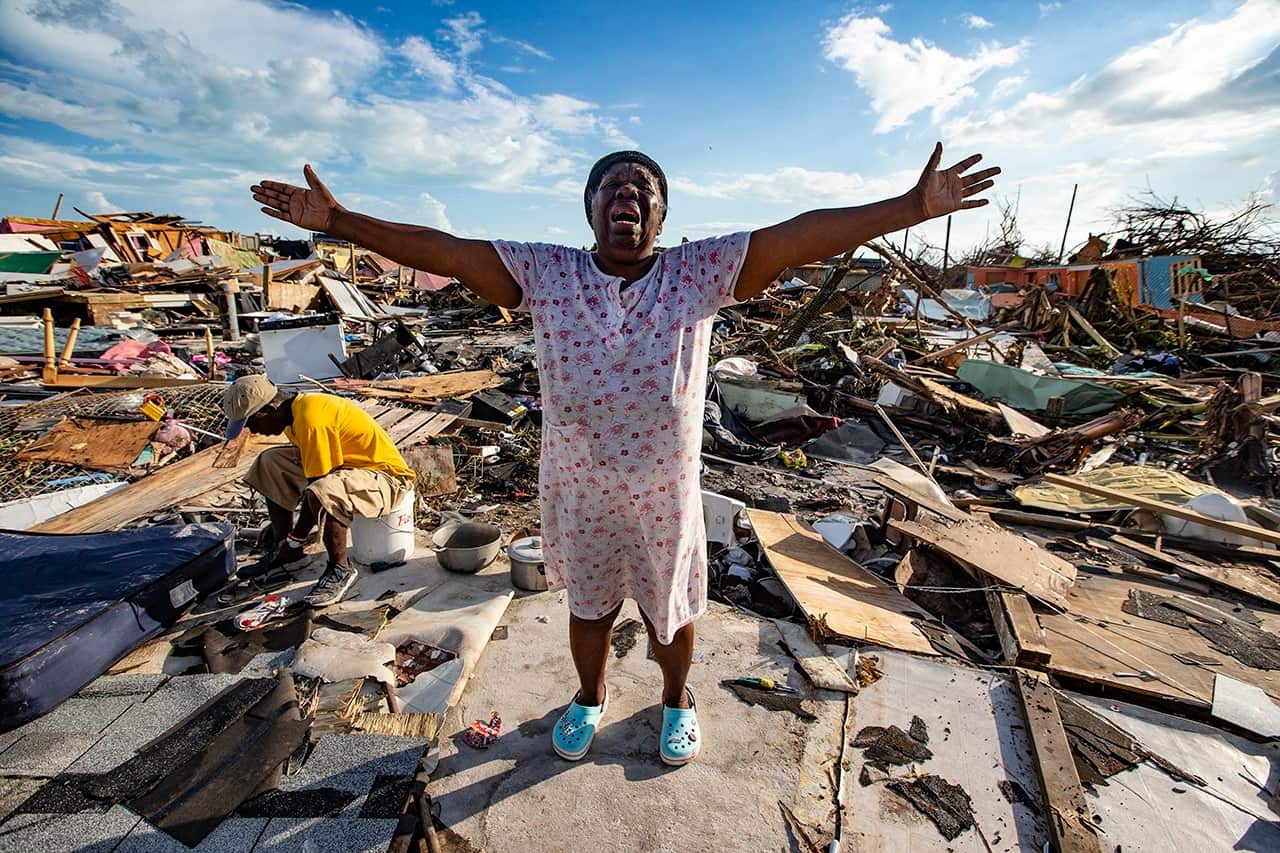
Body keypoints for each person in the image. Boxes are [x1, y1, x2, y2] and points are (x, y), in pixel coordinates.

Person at [250, 142, 998, 765]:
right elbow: (446, 249)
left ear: (662, 214)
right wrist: (343, 221)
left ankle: (676, 700)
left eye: (642, 190)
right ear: (589, 209)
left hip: (663, 491)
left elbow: (793, 236)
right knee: (589, 606)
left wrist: (909, 207)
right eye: (611, 187)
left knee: (670, 611)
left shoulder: (695, 274)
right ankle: (590, 696)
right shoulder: (547, 274)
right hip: (579, 489)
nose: (626, 197)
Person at [222, 374, 416, 607]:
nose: (252, 430)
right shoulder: (291, 414)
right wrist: (283, 535)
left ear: (269, 409)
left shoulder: (312, 419)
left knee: (324, 490)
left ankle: (339, 568)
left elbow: (318, 491)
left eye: (252, 422)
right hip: (349, 467)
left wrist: (297, 539)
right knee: (270, 462)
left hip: (386, 477)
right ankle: (284, 552)